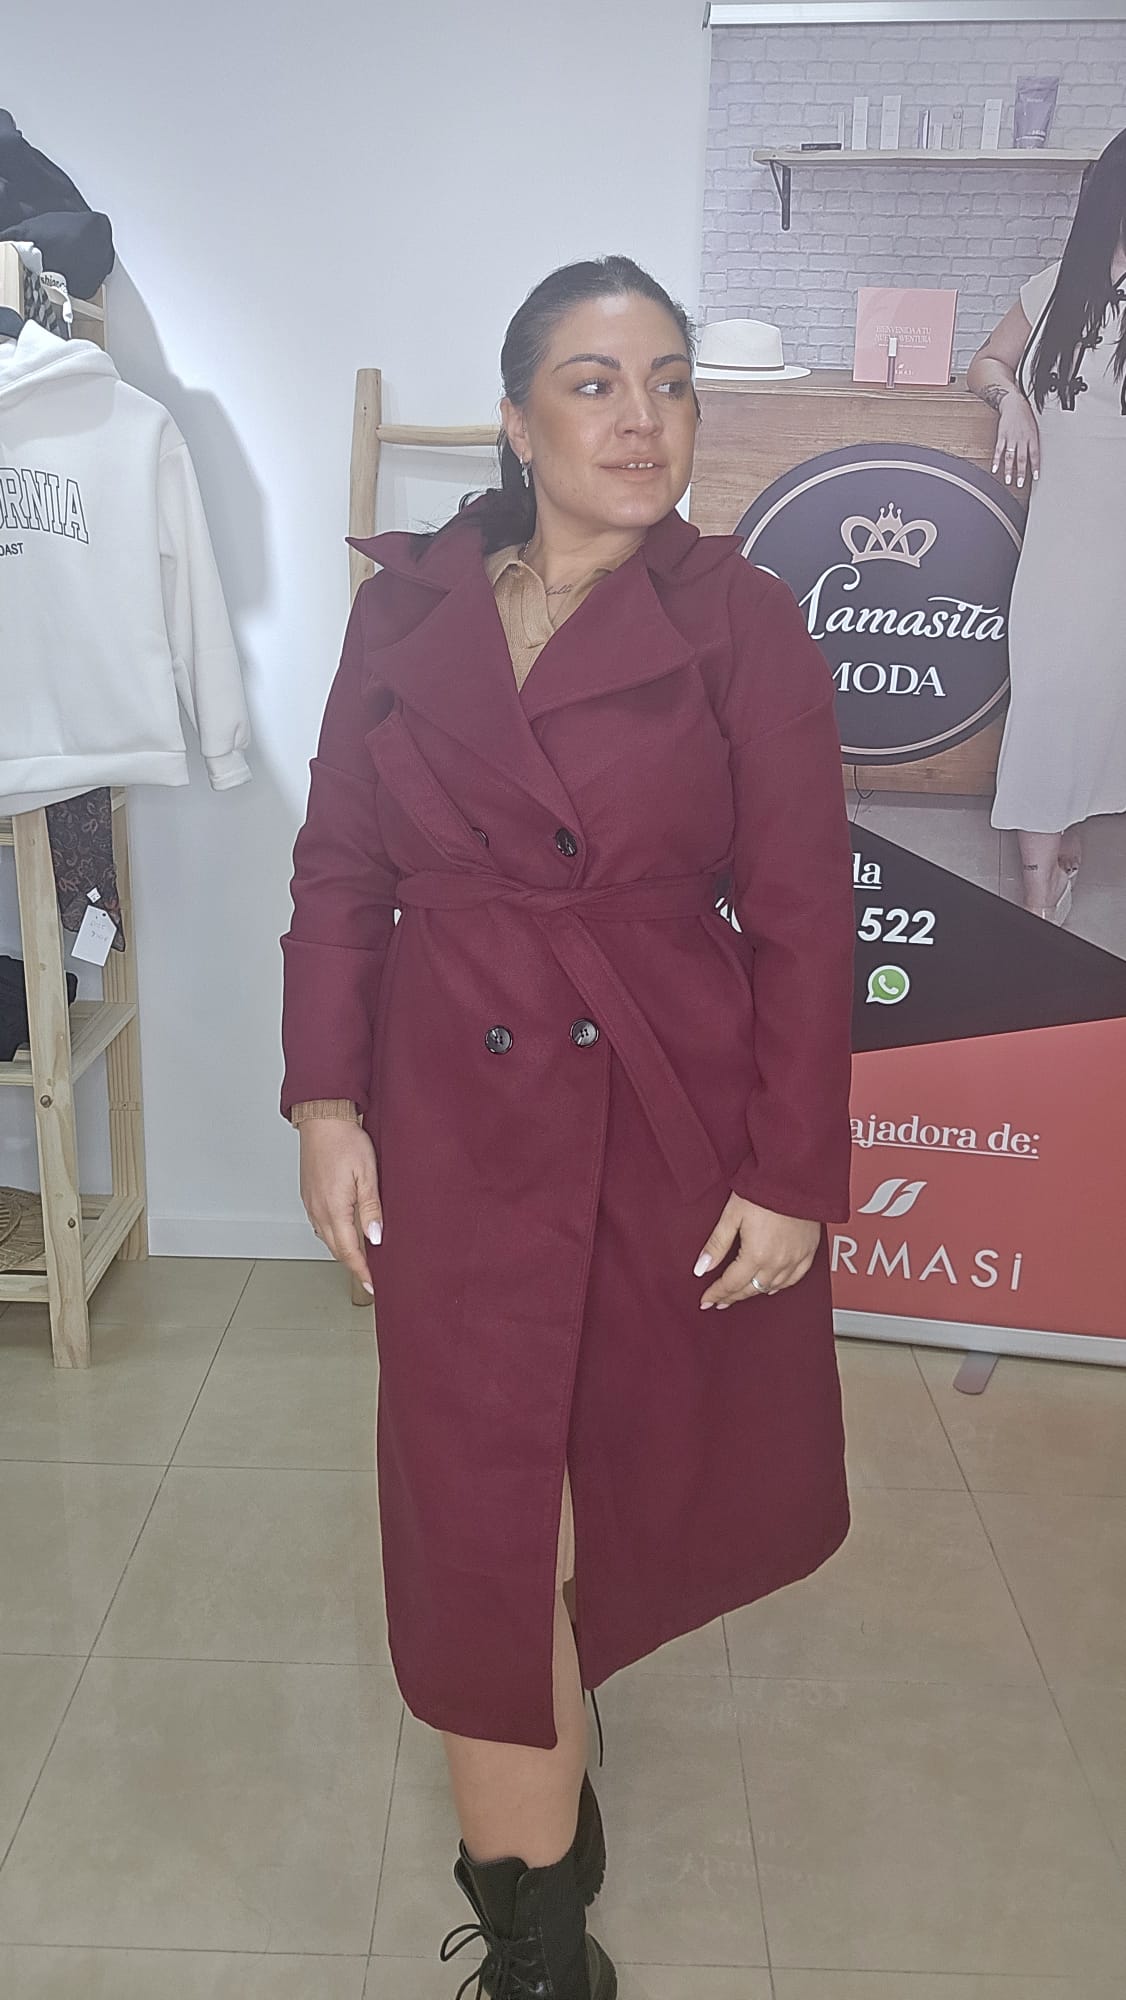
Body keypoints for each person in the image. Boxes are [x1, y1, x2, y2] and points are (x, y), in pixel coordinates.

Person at [279, 256, 856, 2000]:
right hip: (450, 1112)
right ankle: (537, 1939)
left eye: (670, 382)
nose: (641, 419)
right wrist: (325, 1101)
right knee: (481, 1514)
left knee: (609, 1466)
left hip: (660, 1101)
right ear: (517, 419)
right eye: (596, 383)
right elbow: (340, 870)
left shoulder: (742, 620)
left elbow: (805, 919)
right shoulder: (405, 615)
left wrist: (789, 1173)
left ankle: (557, 1734)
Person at [968, 128, 1126, 924]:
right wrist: (1013, 402)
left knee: (1103, 697)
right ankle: (1039, 890)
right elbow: (986, 363)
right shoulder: (1056, 285)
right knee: (1049, 694)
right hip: (1063, 535)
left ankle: (1068, 834)